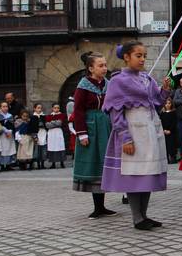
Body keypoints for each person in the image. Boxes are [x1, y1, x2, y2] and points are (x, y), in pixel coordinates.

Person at [102, 40, 171, 231]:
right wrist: (125, 137)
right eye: (138, 56)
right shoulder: (118, 81)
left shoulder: (146, 79)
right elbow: (115, 112)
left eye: (144, 56)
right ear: (126, 57)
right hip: (133, 129)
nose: (142, 59)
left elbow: (156, 102)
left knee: (147, 172)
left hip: (150, 128)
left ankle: (144, 215)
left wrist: (165, 90)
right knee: (135, 174)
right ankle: (137, 218)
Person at [71, 51, 117, 219]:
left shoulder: (107, 84)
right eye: (100, 65)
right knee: (95, 164)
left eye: (105, 65)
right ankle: (98, 207)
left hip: (105, 124)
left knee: (105, 163)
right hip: (91, 127)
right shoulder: (83, 85)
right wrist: (82, 133)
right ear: (90, 68)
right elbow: (78, 110)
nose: (105, 68)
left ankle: (104, 205)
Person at [0, 102, 16, 171]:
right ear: (0, 108)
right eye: (3, 106)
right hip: (2, 135)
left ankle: (8, 164)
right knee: (2, 149)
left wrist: (10, 131)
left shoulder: (10, 116)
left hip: (9, 135)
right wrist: (5, 131)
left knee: (9, 149)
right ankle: (2, 164)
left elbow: (12, 125)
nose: (5, 108)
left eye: (6, 106)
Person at [46, 104, 67, 168]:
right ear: (52, 108)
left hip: (58, 133)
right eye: (55, 108)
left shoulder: (62, 115)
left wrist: (52, 122)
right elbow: (47, 125)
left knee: (60, 146)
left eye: (58, 108)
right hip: (51, 133)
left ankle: (62, 162)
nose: (56, 109)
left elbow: (60, 123)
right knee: (52, 147)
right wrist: (56, 122)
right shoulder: (48, 116)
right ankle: (53, 163)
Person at [160, 97, 179, 164]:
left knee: (172, 145)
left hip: (171, 132)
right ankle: (166, 159)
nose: (167, 105)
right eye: (166, 103)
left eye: (169, 103)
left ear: (171, 104)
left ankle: (173, 158)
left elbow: (174, 122)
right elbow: (161, 122)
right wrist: (164, 130)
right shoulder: (162, 113)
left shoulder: (173, 112)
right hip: (164, 132)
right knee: (165, 145)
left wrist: (170, 130)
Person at [31, 104, 47, 169]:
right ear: (34, 109)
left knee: (43, 149)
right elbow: (32, 127)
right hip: (37, 134)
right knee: (37, 149)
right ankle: (38, 164)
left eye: (40, 108)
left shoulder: (43, 116)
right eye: (38, 108)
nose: (39, 109)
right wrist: (34, 136)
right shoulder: (33, 117)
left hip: (43, 133)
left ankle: (43, 164)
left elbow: (46, 124)